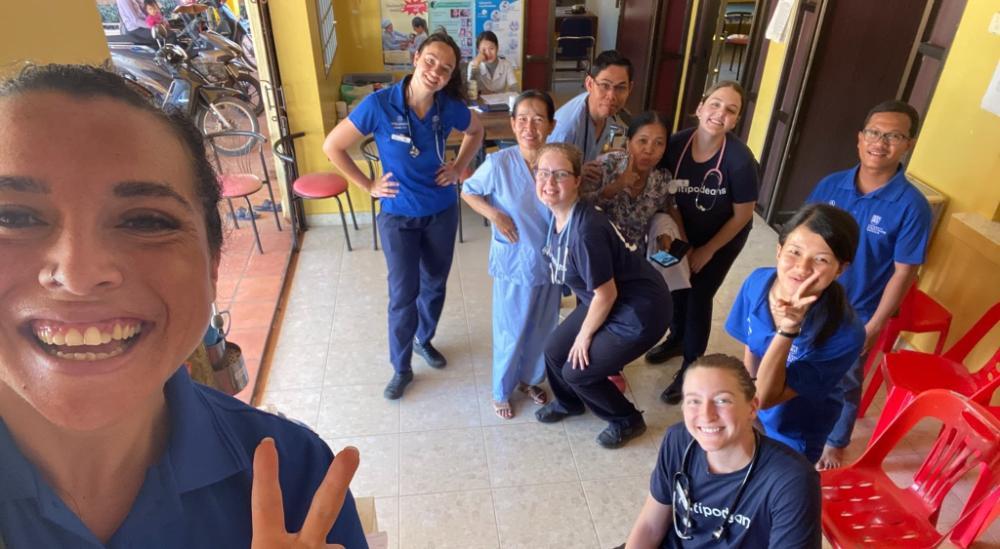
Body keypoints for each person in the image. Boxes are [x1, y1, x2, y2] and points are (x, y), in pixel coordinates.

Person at [0, 64, 366, 547]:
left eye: (146, 221)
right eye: (14, 216)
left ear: (212, 262)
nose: (79, 273)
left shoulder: (290, 474)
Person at [323, 34, 484, 400]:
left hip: (441, 211)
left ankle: (423, 339)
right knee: (402, 294)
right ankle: (401, 366)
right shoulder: (379, 105)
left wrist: (459, 167)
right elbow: (332, 146)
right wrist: (367, 184)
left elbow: (476, 130)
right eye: (430, 61)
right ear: (415, 58)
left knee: (435, 284)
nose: (436, 72)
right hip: (398, 216)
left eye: (445, 68)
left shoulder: (448, 106)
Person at [808, 100, 931, 470]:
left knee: (844, 381)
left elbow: (903, 272)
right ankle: (790, 417)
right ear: (860, 139)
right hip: (811, 297)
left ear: (908, 145)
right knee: (797, 359)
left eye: (894, 136)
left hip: (855, 313)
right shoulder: (830, 185)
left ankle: (836, 440)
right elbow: (803, 240)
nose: (881, 142)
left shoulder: (912, 206)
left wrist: (873, 326)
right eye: (874, 133)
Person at [532, 143, 671, 448]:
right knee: (555, 350)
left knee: (577, 371)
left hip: (639, 310)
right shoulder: (559, 215)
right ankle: (569, 403)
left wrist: (584, 337)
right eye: (542, 173)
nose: (549, 183)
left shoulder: (585, 231)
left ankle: (627, 420)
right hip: (609, 297)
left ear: (578, 180)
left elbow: (605, 294)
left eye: (560, 175)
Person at [623, 354, 821, 548]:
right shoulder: (678, 440)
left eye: (722, 400)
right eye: (694, 401)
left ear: (752, 408)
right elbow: (650, 526)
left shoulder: (792, 480)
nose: (706, 415)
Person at [725, 203, 866, 464]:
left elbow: (767, 398)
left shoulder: (846, 332)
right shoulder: (757, 283)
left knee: (782, 483)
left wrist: (788, 329)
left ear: (840, 269)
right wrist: (749, 403)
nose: (802, 268)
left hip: (798, 426)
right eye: (794, 252)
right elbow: (751, 346)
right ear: (779, 251)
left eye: (821, 259)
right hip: (757, 406)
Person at [647, 81, 760, 406]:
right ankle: (677, 338)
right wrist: (683, 242)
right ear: (700, 107)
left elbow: (742, 215)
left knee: (698, 293)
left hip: (724, 235)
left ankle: (691, 367)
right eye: (715, 104)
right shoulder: (677, 144)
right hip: (684, 226)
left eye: (730, 110)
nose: (720, 113)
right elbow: (669, 196)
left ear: (735, 120)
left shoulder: (739, 160)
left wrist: (707, 251)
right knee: (676, 283)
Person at [461, 91, 560, 419]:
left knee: (543, 326)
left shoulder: (556, 162)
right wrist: (495, 215)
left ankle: (530, 379)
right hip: (516, 260)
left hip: (552, 262)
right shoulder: (498, 164)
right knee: (512, 326)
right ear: (512, 124)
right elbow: (468, 191)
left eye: (538, 119)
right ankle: (501, 388)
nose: (529, 126)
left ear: (551, 124)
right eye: (522, 119)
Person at [582, 110, 690, 292]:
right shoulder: (606, 165)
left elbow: (668, 209)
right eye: (642, 141)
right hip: (596, 256)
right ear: (628, 141)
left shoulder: (662, 179)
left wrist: (670, 237)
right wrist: (618, 185)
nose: (649, 150)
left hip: (633, 260)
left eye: (659, 143)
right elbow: (583, 208)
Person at [548, 50, 633, 186]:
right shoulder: (567, 128)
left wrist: (607, 154)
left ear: (630, 89)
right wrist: (577, 172)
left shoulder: (607, 113)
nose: (611, 96)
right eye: (605, 86)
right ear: (589, 84)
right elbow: (549, 176)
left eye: (620, 88)